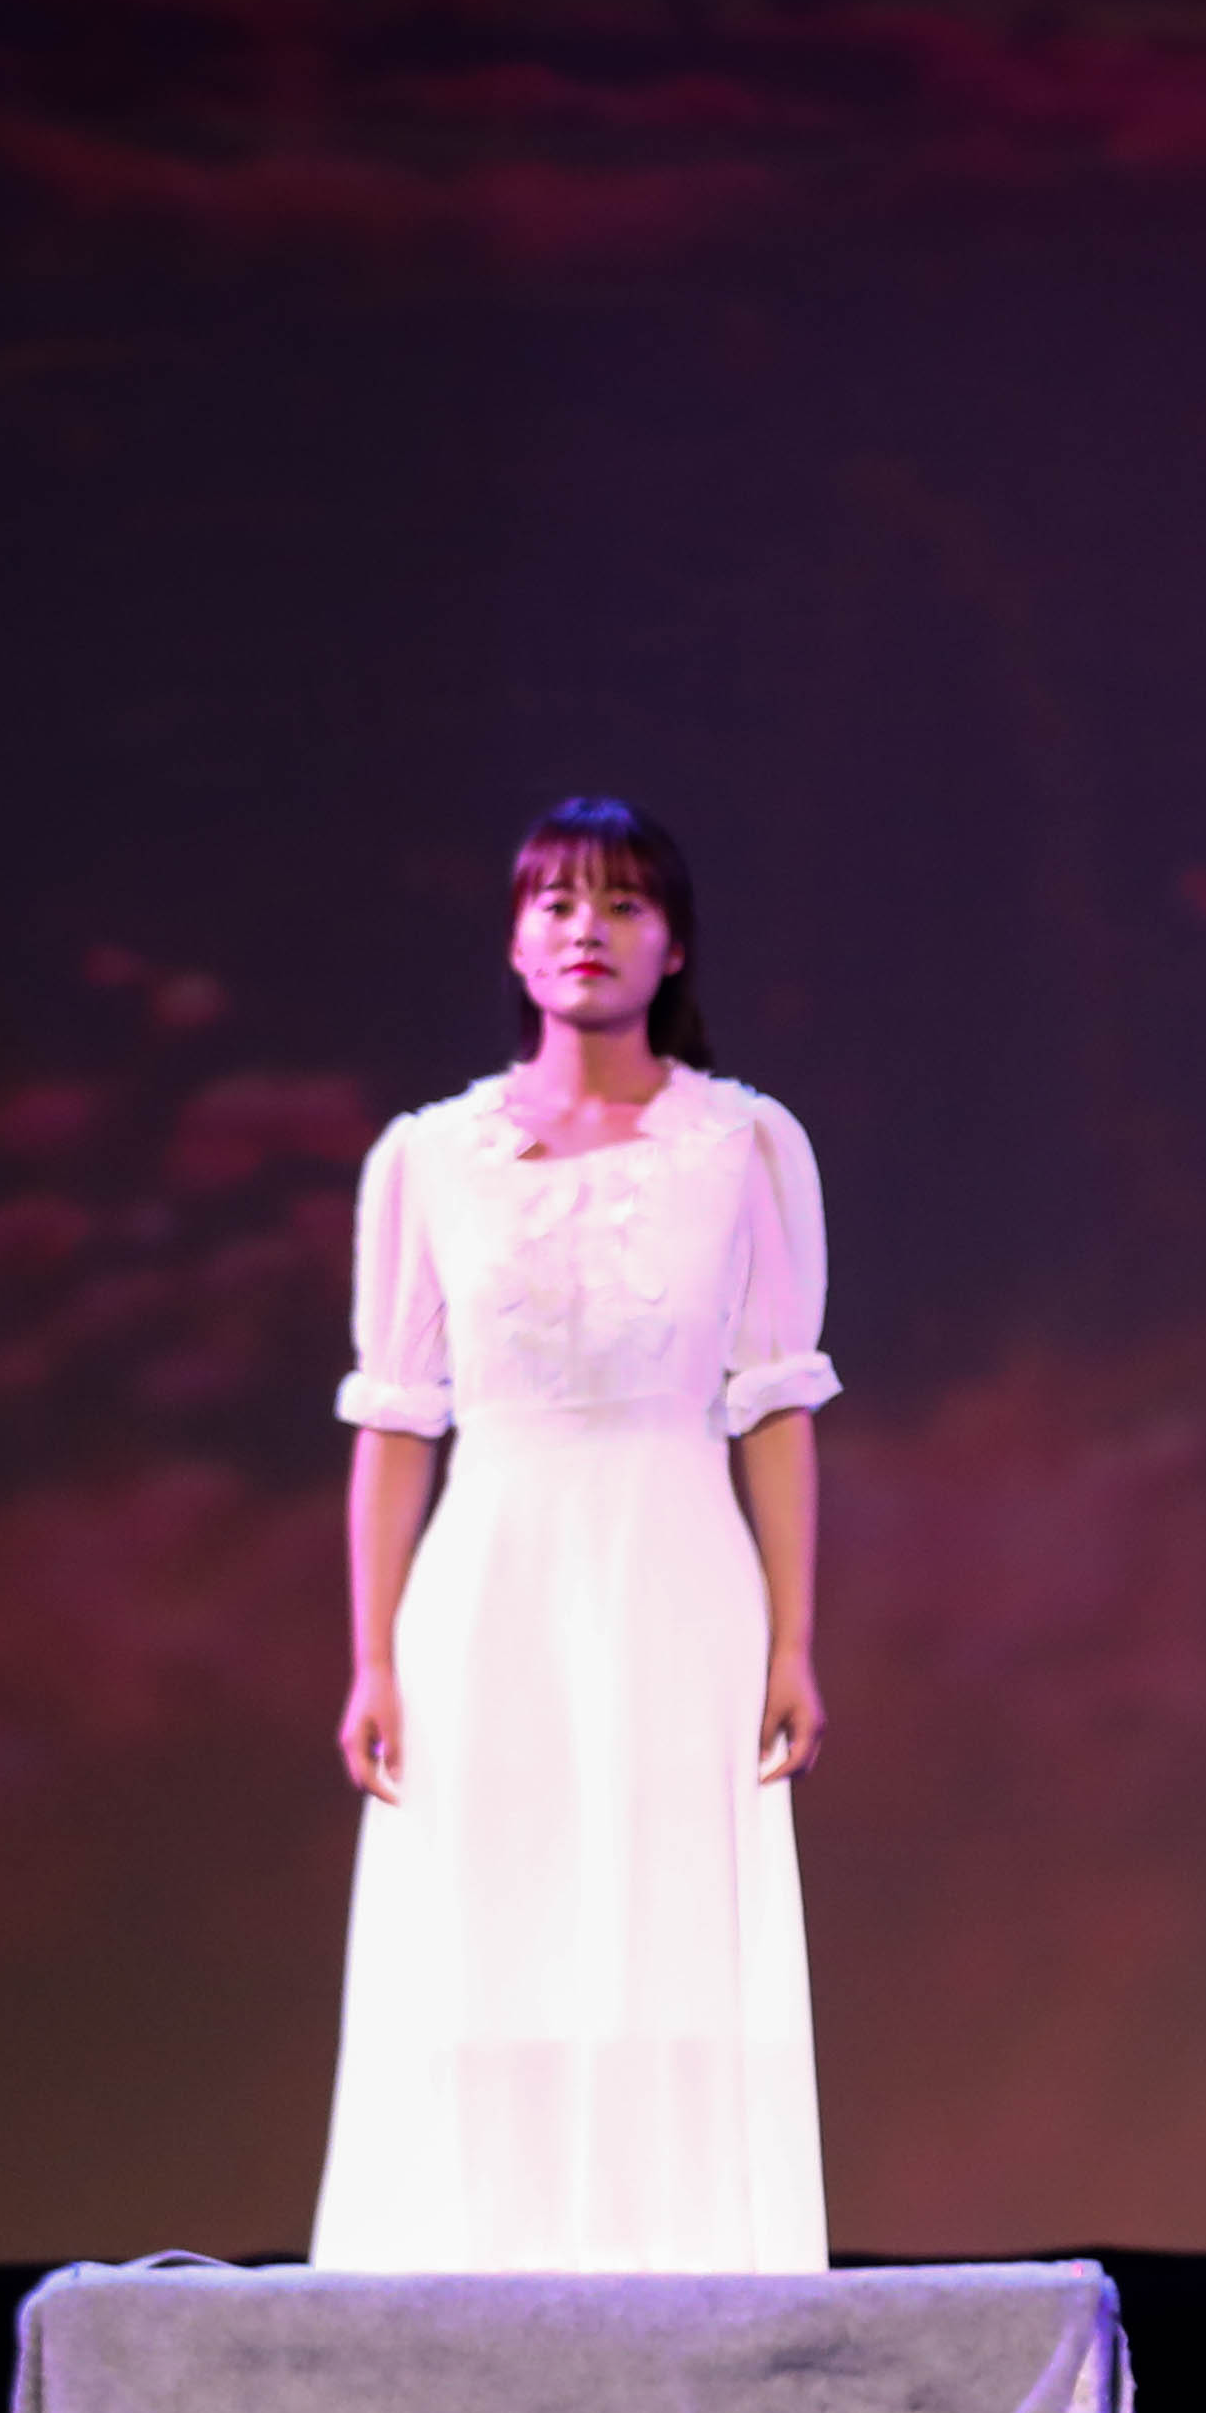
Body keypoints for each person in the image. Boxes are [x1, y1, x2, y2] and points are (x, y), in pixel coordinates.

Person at [309, 797, 839, 2274]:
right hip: (489, 1581)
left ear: (673, 945)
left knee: (667, 1921)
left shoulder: (743, 1144)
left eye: (621, 904)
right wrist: (373, 1657)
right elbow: (396, 1422)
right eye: (555, 902)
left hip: (677, 1566)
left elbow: (774, 1406)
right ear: (514, 940)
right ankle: (467, 2278)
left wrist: (793, 1639)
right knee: (488, 1918)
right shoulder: (429, 1156)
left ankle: (682, 2282)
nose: (586, 930)